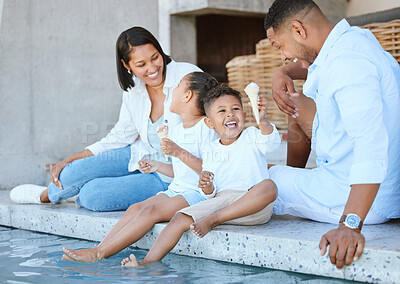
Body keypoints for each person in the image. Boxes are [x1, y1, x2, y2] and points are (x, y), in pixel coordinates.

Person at [264, 0, 400, 268]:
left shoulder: (348, 64)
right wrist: (282, 72)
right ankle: (299, 180)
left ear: (298, 29)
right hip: (365, 183)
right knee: (295, 101)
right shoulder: (352, 40)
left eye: (279, 46)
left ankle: (297, 185)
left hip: (365, 200)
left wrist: (350, 224)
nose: (282, 56)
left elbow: (370, 144)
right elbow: (309, 65)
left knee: (257, 177)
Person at [9, 26, 201, 211]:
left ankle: (78, 193)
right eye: (141, 65)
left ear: (160, 51)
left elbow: (211, 123)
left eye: (155, 58)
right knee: (73, 171)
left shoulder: (187, 77)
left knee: (93, 195)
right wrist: (72, 158)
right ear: (127, 65)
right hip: (141, 155)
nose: (152, 68)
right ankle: (46, 196)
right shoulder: (135, 88)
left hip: (170, 174)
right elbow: (121, 135)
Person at [61, 72, 219, 263]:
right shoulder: (178, 129)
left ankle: (99, 254)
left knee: (149, 212)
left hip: (198, 194)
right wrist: (157, 165)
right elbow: (180, 173)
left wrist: (177, 152)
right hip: (178, 189)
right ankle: (99, 248)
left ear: (187, 96)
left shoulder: (206, 127)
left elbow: (209, 170)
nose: (172, 91)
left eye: (177, 86)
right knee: (135, 208)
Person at [120, 84, 280, 267]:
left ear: (244, 114)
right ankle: (147, 262)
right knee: (180, 217)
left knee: (269, 186)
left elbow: (271, 143)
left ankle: (213, 220)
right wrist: (206, 185)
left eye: (236, 109)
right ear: (210, 123)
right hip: (222, 202)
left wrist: (263, 120)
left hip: (252, 206)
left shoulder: (252, 135)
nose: (230, 114)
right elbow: (210, 195)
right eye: (222, 111)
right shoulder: (210, 150)